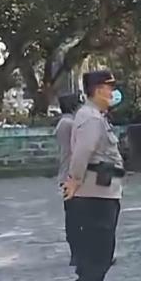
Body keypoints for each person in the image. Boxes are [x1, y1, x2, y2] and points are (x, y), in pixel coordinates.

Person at [62, 71, 127, 281]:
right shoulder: (91, 118)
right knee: (100, 247)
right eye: (110, 89)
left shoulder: (93, 115)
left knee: (95, 245)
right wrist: (74, 180)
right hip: (96, 193)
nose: (112, 94)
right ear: (99, 89)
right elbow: (82, 153)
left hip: (101, 190)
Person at [56, 94, 82, 266]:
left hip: (67, 173)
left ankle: (77, 254)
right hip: (72, 175)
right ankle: (81, 254)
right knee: (79, 218)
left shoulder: (63, 123)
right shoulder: (70, 124)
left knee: (73, 217)